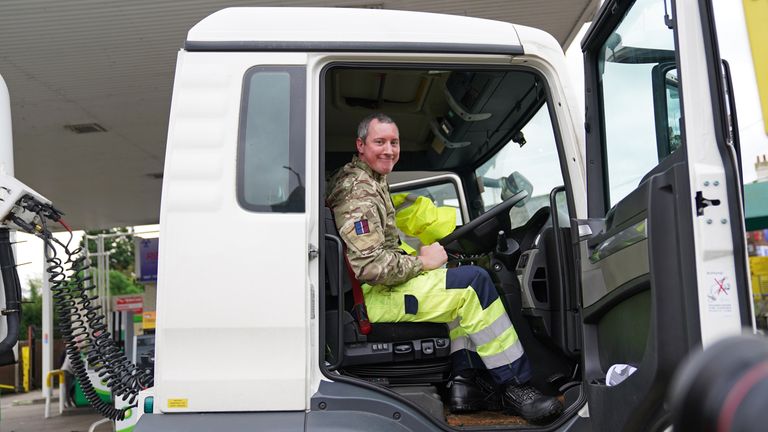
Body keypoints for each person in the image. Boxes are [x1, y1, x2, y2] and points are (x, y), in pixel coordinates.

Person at [326, 113, 563, 422]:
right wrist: (423, 262)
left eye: (394, 142)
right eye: (379, 142)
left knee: (455, 285)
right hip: (374, 299)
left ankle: (465, 384)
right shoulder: (359, 191)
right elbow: (370, 267)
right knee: (474, 284)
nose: (389, 150)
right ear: (361, 145)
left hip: (381, 291)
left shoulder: (372, 181)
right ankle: (516, 387)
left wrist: (430, 262)